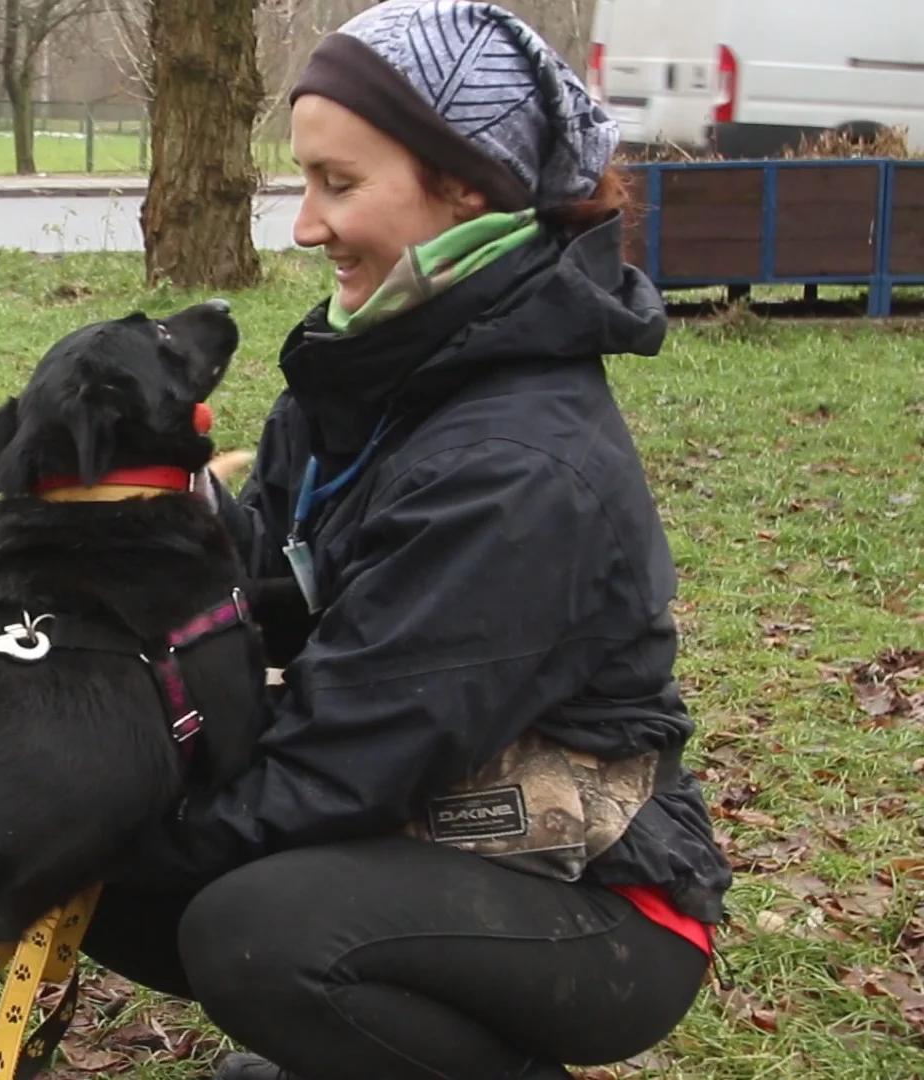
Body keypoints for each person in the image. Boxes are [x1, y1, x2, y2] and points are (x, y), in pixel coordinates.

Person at [85, 3, 732, 1078]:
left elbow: (338, 769)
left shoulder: (518, 468)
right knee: (95, 854)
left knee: (260, 934)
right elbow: (253, 591)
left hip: (598, 903)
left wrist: (90, 835)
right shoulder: (367, 371)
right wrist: (140, 517)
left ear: (466, 182)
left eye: (339, 184)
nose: (303, 225)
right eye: (306, 182)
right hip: (429, 815)